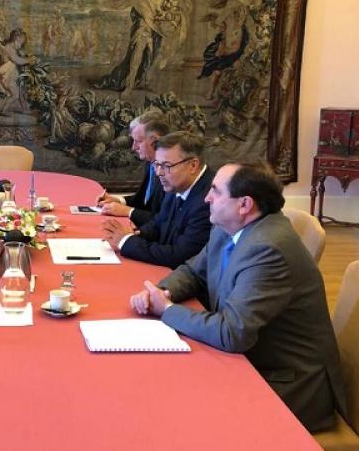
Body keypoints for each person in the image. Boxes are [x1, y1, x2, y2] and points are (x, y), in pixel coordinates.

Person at [129, 163, 347, 432]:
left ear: (244, 204)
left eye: (216, 191)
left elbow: (232, 333)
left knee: (175, 412)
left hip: (286, 383)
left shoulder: (267, 249)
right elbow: (194, 271)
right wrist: (162, 292)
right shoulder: (228, 227)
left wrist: (167, 309)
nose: (207, 198)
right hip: (249, 359)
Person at [101, 131, 213, 268]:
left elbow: (179, 256)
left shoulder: (209, 200)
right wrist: (136, 234)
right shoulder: (177, 183)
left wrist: (126, 241)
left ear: (193, 165)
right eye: (156, 164)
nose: (158, 172)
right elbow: (159, 222)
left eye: (166, 165)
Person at [96, 109, 169, 226]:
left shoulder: (170, 173)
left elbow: (165, 220)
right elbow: (142, 201)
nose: (133, 147)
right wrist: (117, 200)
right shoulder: (150, 163)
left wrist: (128, 211)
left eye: (138, 141)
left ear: (155, 141)